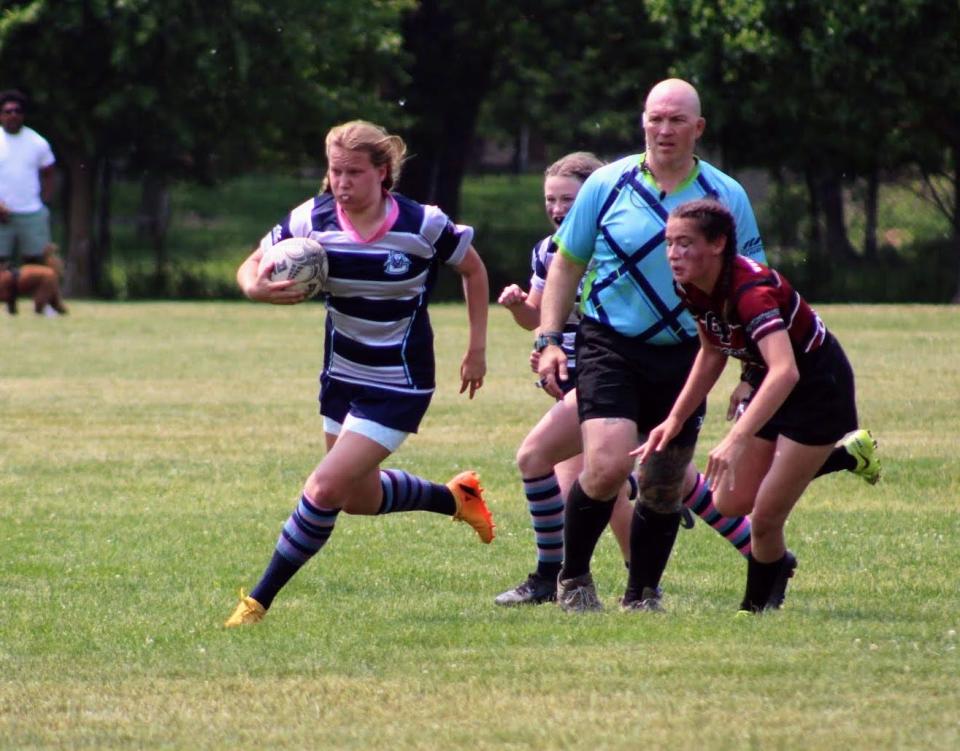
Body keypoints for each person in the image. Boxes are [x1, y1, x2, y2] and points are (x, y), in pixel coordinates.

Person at [535, 78, 879, 613]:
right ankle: (572, 579)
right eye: (654, 118)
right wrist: (550, 337)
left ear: (698, 128)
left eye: (676, 120)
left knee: (665, 481)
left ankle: (642, 593)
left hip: (687, 349)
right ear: (642, 122)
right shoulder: (607, 183)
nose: (663, 129)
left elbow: (748, 286)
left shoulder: (726, 196)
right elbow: (566, 261)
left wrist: (747, 376)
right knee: (604, 464)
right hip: (610, 342)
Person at [225, 120, 494, 627]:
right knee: (356, 498)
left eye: (354, 173)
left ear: (382, 173)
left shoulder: (423, 225)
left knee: (323, 489)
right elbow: (253, 263)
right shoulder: (311, 220)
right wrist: (253, 287)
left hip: (399, 379)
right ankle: (454, 497)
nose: (342, 183)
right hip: (343, 374)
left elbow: (474, 269)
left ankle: (257, 602)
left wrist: (477, 348)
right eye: (334, 171)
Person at [635, 198, 867, 613]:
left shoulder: (751, 292)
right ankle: (844, 457)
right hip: (769, 382)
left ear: (719, 243)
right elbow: (711, 351)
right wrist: (674, 418)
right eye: (669, 243)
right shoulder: (689, 284)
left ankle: (756, 607)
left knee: (764, 517)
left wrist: (736, 438)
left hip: (817, 391)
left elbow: (787, 371)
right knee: (728, 503)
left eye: (685, 244)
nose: (673, 254)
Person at [494, 152, 634, 605]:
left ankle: (561, 579)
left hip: (605, 376)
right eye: (550, 199)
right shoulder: (547, 249)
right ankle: (629, 581)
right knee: (590, 487)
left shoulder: (616, 246)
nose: (557, 208)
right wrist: (520, 307)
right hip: (568, 380)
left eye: (567, 199)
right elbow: (539, 318)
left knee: (585, 479)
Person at [0, 90, 57, 267]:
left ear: (23, 115)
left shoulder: (37, 142)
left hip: (31, 212)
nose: (13, 115)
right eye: (8, 111)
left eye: (17, 111)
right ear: (1, 115)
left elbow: (49, 173)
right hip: (2, 213)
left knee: (36, 264)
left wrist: (44, 202)